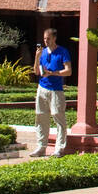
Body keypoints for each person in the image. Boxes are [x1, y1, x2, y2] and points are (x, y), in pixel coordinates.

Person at [31, 28, 72, 157]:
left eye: (48, 38)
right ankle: (41, 146)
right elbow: (36, 72)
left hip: (56, 90)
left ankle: (59, 148)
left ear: (54, 38)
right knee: (41, 117)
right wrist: (37, 58)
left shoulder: (62, 52)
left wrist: (53, 73)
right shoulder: (42, 53)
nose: (46, 41)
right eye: (44, 39)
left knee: (58, 116)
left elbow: (68, 71)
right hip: (42, 88)